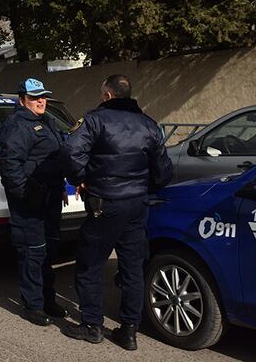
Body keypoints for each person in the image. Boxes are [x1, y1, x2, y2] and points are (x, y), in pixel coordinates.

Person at [61, 74, 173, 349]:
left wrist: (82, 179)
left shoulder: (95, 120)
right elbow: (164, 171)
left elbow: (70, 152)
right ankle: (129, 330)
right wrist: (145, 186)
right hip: (137, 205)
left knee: (89, 264)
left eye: (102, 94)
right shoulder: (149, 125)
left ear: (108, 95)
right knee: (132, 267)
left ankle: (92, 325)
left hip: (105, 203)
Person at [0, 78, 68, 327]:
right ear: (22, 99)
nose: (41, 100)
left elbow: (55, 156)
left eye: (44, 96)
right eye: (35, 97)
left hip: (50, 197)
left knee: (48, 250)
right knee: (32, 252)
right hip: (30, 201)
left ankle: (48, 299)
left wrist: (60, 187)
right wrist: (25, 193)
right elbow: (10, 165)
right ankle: (33, 305)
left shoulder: (45, 120)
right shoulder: (17, 125)